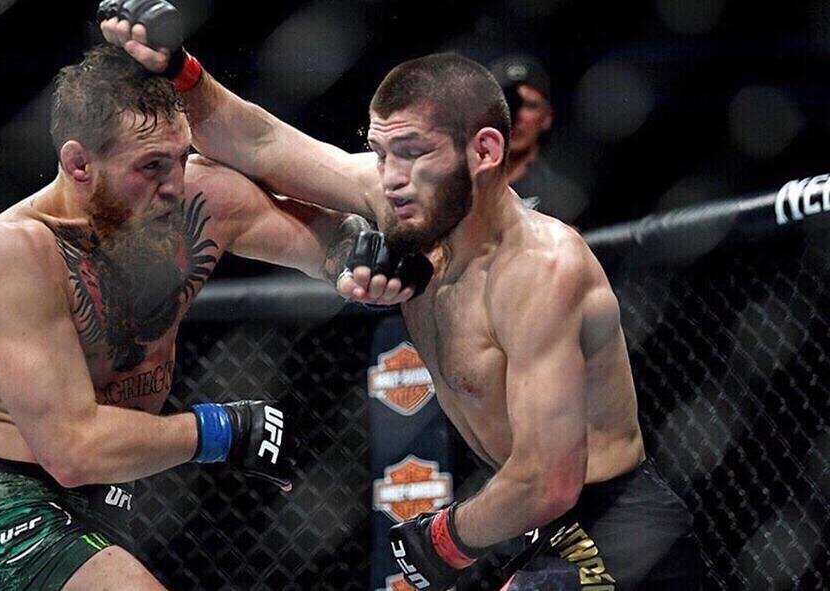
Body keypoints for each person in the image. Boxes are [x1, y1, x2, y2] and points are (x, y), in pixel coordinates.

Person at [99, 5, 703, 589]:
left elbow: (549, 480)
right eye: (381, 151)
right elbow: (258, 143)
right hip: (536, 527)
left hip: (616, 530)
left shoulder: (541, 270)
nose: (389, 176)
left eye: (413, 153)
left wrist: (444, 539)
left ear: (485, 152)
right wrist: (181, 72)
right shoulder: (403, 202)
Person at [0, 44, 419, 591]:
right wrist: (223, 429)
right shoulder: (15, 254)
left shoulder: (200, 198)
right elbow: (73, 450)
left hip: (120, 504)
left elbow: (330, 240)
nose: (174, 184)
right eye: (150, 166)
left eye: (179, 157)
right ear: (79, 164)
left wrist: (363, 263)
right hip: (25, 519)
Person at [490, 54, 587, 224]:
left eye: (530, 105)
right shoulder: (460, 186)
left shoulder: (561, 199)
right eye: (507, 103)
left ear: (547, 117)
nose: (517, 116)